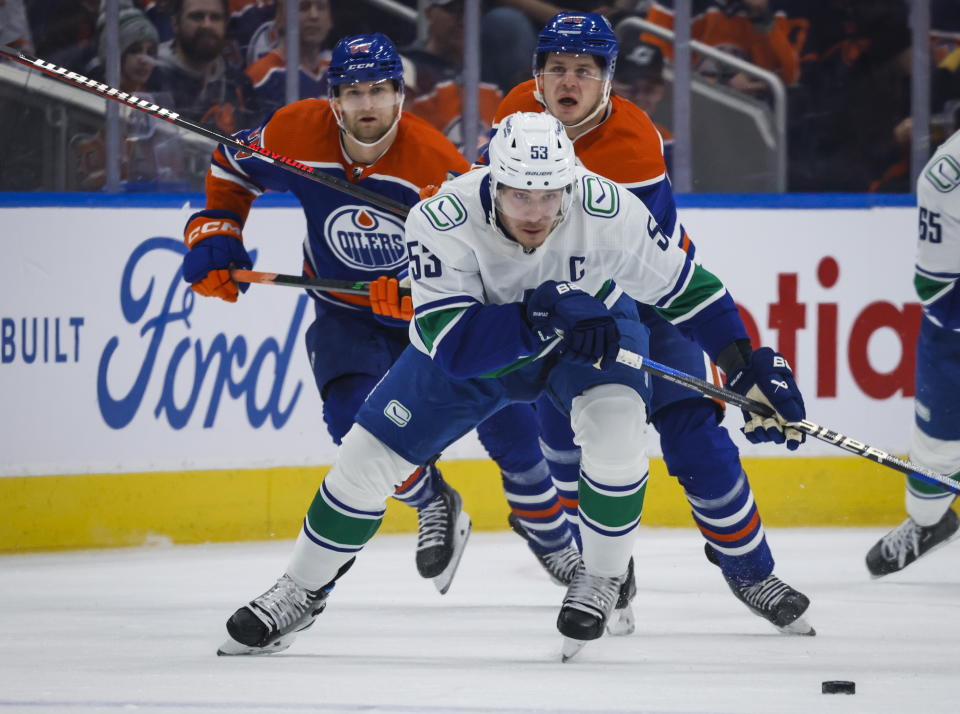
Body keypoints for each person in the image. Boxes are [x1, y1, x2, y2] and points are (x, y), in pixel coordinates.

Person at [215, 110, 807, 660]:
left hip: (589, 340)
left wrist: (744, 362)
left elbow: (688, 289)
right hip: (481, 344)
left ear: (571, 185)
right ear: (491, 181)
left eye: (549, 194)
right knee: (365, 460)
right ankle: (299, 591)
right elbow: (453, 343)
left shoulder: (611, 210)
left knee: (618, 433)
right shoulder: (439, 218)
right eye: (520, 193)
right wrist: (540, 312)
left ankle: (599, 578)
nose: (535, 210)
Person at [181, 32, 565, 597]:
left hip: (438, 321)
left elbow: (482, 260)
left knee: (511, 431)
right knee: (349, 420)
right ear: (333, 99)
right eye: (353, 92)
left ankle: (558, 543)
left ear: (400, 95)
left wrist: (419, 287)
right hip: (345, 313)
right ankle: (432, 498)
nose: (367, 105)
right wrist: (217, 231)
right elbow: (230, 166)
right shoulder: (291, 133)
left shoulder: (436, 166)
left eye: (380, 91)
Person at [483, 12, 814, 636]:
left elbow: (653, 269)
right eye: (557, 69)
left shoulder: (633, 144)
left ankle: (750, 569)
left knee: (694, 435)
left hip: (649, 297)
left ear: (607, 80)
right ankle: (603, 564)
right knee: (563, 434)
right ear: (537, 75)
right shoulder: (512, 119)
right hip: (567, 300)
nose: (568, 83)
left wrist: (738, 357)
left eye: (584, 70)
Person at [865, 129, 960, 577]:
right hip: (954, 336)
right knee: (932, 472)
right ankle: (930, 524)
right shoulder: (947, 178)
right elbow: (938, 291)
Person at [156, 0, 256, 133]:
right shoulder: (151, 74)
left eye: (215, 17)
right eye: (197, 16)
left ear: (225, 24)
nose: (207, 25)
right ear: (175, 23)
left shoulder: (238, 83)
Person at [244, 0, 333, 117]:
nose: (314, 15)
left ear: (330, 19)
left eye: (321, 7)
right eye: (304, 7)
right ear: (281, 17)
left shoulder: (339, 73)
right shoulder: (260, 76)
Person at [612, 37, 673, 173]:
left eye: (649, 89)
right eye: (629, 86)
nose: (639, 97)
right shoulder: (578, 134)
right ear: (606, 85)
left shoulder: (664, 139)